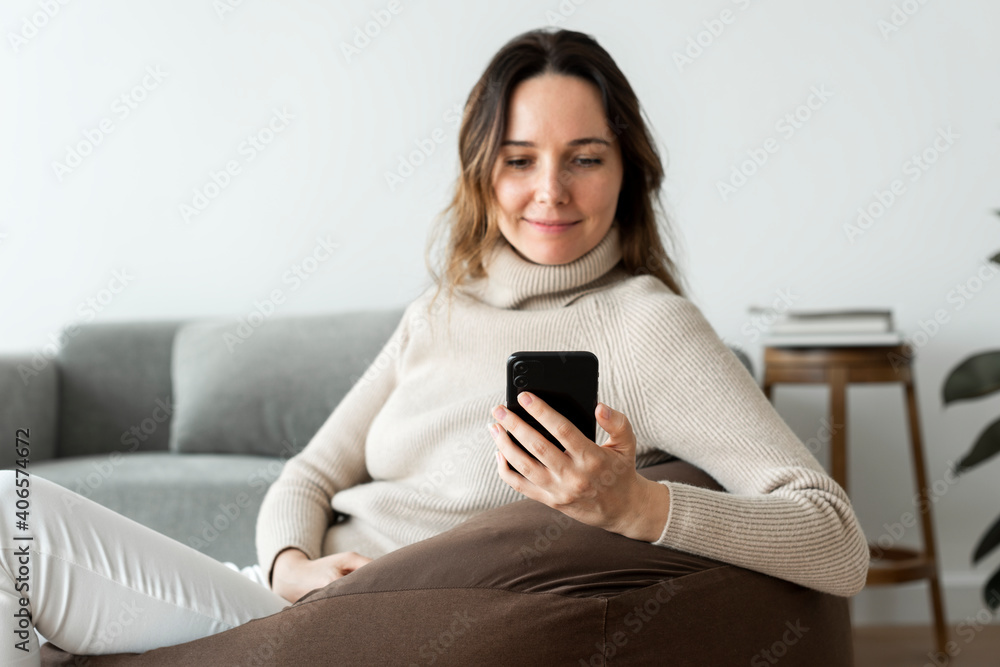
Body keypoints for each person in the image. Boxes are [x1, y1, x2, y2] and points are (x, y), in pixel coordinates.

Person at [0, 27, 869, 665]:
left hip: (365, 632)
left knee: (9, 518)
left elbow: (835, 541)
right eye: (520, 159)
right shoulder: (440, 312)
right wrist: (292, 565)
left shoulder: (646, 325)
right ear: (481, 172)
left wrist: (636, 507)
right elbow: (306, 474)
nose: (550, 192)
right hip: (283, 602)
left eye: (587, 158)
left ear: (628, 170)